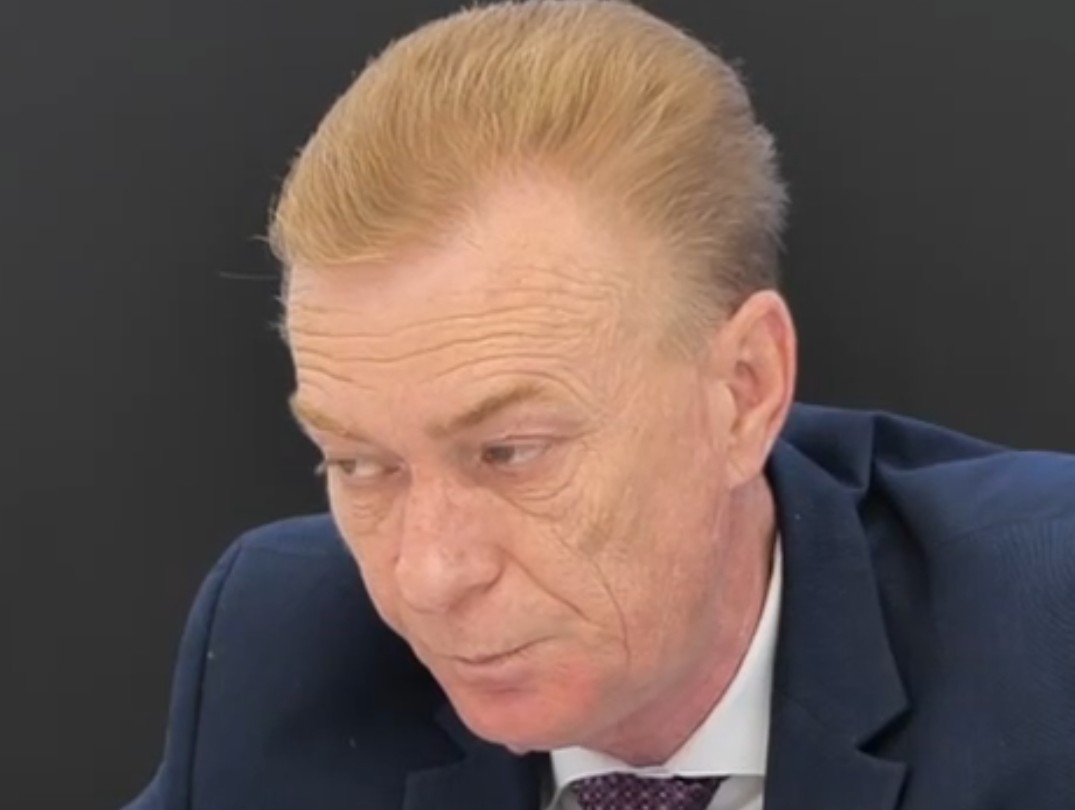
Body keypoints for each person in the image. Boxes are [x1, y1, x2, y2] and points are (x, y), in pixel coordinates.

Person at [123, 2, 1075, 809]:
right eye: (360, 464)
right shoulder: (280, 649)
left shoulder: (1047, 630)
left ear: (743, 391)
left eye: (510, 451)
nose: (431, 575)